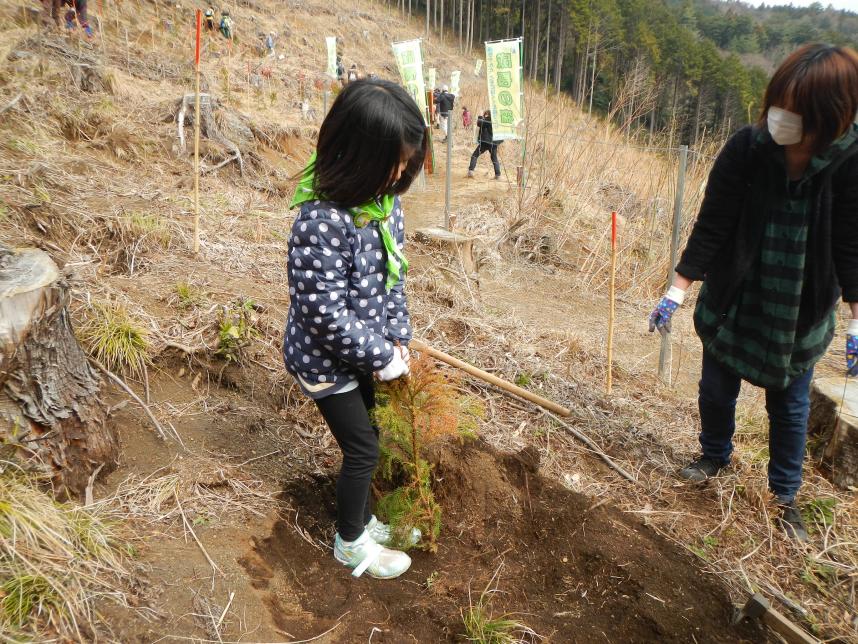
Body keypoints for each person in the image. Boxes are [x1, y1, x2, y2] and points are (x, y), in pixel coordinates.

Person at [648, 44, 858, 542]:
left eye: (794, 110)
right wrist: (677, 289)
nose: (778, 117)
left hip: (799, 310)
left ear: (828, 118)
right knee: (716, 390)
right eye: (777, 104)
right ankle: (714, 456)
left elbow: (852, 243)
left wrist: (857, 320)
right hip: (736, 295)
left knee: (790, 407)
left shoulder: (850, 163)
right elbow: (714, 222)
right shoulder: (749, 147)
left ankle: (784, 496)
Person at [284, 79, 427, 579]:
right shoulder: (320, 220)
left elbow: (394, 279)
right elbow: (322, 313)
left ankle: (364, 519)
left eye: (406, 164)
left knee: (371, 430)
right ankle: (350, 542)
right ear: (356, 154)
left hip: (364, 352)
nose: (400, 173)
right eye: (393, 162)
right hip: (323, 361)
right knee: (362, 447)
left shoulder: (385, 206)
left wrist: (399, 336)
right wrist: (383, 358)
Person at [467, 110, 501, 179]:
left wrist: (480, 116)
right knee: (494, 159)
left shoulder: (488, 119)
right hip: (494, 143)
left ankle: (471, 171)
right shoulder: (498, 121)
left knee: (475, 155)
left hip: (485, 142)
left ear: (488, 114)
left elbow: (479, 123)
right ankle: (498, 175)